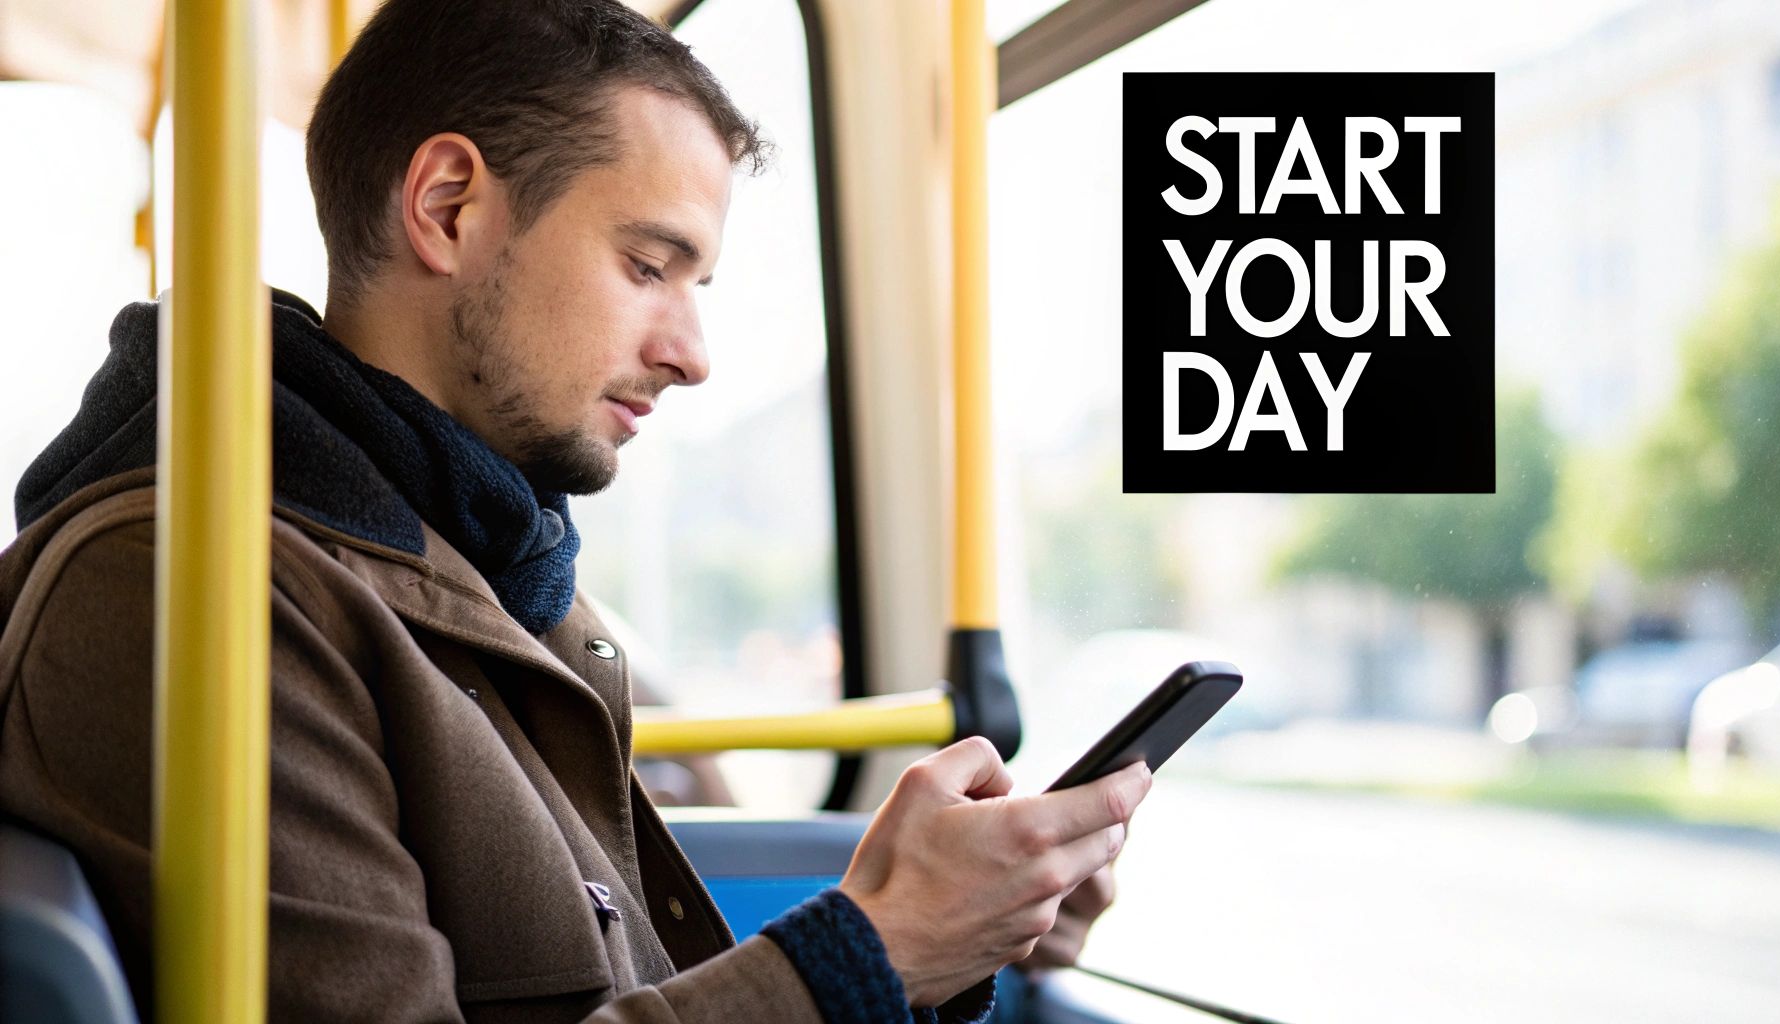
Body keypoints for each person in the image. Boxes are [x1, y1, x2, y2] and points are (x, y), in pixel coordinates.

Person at [0, 1, 1150, 1021]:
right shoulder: (186, 590)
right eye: (649, 266)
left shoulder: (489, 563)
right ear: (447, 207)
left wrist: (935, 946)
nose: (691, 354)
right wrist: (875, 953)